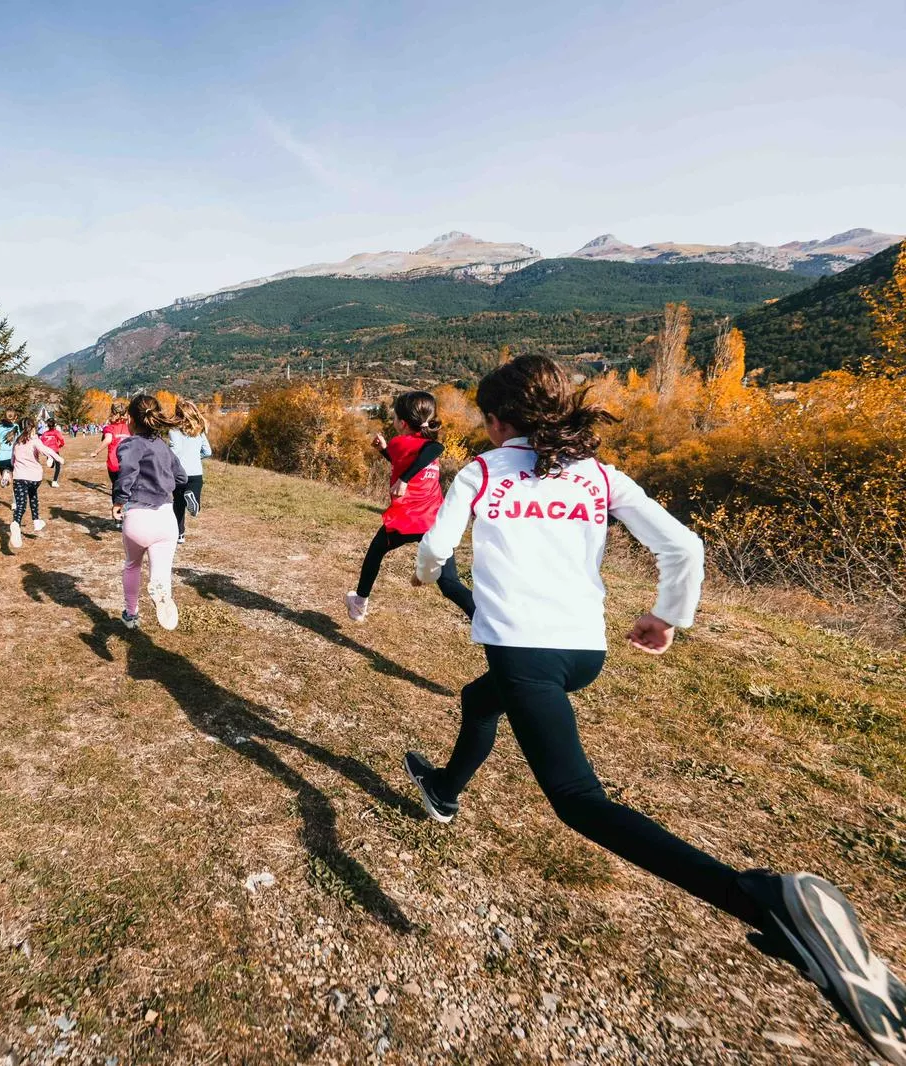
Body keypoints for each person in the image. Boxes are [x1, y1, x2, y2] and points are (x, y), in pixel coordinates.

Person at [403, 356, 906, 1064]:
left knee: (577, 800)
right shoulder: (599, 477)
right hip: (584, 653)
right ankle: (444, 790)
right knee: (479, 699)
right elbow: (685, 546)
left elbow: (432, 548)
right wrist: (668, 616)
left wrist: (431, 575)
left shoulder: (481, 471)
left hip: (524, 652)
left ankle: (764, 901)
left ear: (495, 420)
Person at [345, 391, 475, 623]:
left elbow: (435, 450)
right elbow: (411, 457)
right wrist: (385, 451)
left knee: (376, 551)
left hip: (407, 521)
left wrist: (404, 479)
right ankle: (482, 616)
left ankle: (359, 601)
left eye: (395, 418)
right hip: (435, 522)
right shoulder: (407, 446)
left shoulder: (408, 443)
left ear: (402, 423)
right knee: (450, 584)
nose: (393, 422)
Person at [113, 394, 187, 631]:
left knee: (132, 565)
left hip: (138, 517)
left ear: (131, 420)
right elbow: (182, 477)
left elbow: (126, 471)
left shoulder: (131, 444)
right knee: (161, 571)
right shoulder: (163, 447)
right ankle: (161, 588)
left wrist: (118, 501)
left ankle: (131, 614)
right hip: (166, 518)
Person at [8, 418, 62, 551]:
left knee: (20, 504)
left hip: (19, 477)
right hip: (34, 478)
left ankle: (16, 523)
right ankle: (36, 521)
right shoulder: (35, 441)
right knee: (33, 495)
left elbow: (12, 460)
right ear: (32, 428)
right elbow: (45, 450)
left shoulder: (16, 443)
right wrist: (58, 458)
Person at [167, 398, 213, 545]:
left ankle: (180, 534)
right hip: (195, 473)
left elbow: (175, 451)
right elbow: (208, 451)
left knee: (178, 504)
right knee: (194, 499)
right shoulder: (199, 431)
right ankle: (194, 503)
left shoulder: (173, 430)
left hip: (179, 474)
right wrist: (195, 457)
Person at [91, 403, 131, 495]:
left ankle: (117, 507)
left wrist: (96, 452)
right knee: (128, 488)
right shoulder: (131, 428)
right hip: (128, 463)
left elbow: (108, 440)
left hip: (114, 463)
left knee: (116, 487)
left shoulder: (109, 428)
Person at [0, 409, 18, 488]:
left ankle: (6, 474)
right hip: (13, 456)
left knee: (7, 483)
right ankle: (15, 500)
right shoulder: (16, 427)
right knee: (16, 481)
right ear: (16, 417)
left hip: (1, 457)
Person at [39, 418, 67, 488]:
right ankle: (54, 482)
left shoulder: (45, 433)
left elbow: (41, 441)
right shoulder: (56, 432)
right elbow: (61, 440)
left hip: (47, 450)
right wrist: (61, 445)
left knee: (51, 465)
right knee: (58, 466)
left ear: (47, 425)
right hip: (54, 450)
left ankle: (50, 460)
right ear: (54, 425)